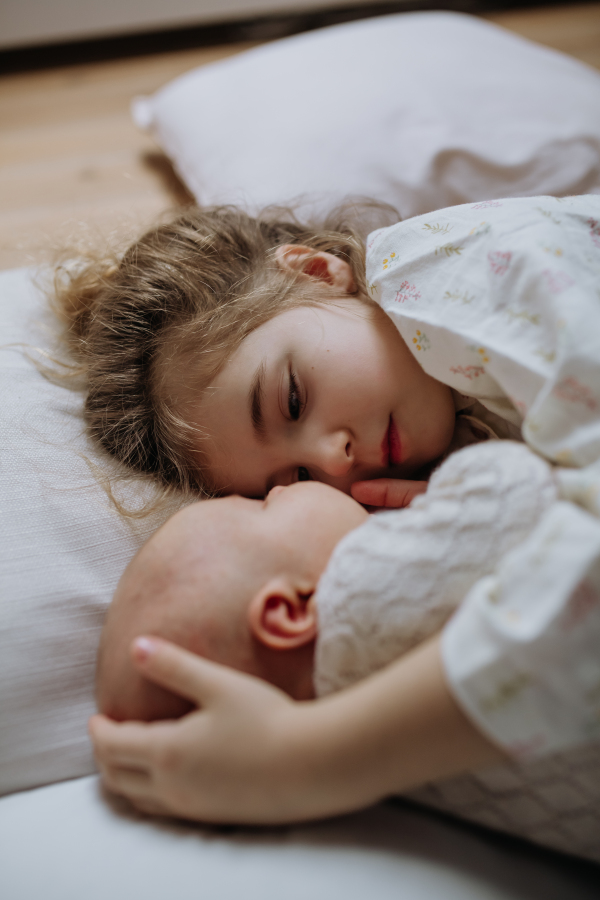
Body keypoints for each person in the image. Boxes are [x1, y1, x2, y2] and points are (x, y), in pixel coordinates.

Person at [92, 441, 600, 861]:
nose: (284, 489)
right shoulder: (357, 598)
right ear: (289, 612)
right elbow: (519, 487)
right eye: (262, 504)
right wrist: (443, 507)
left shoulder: (412, 778)